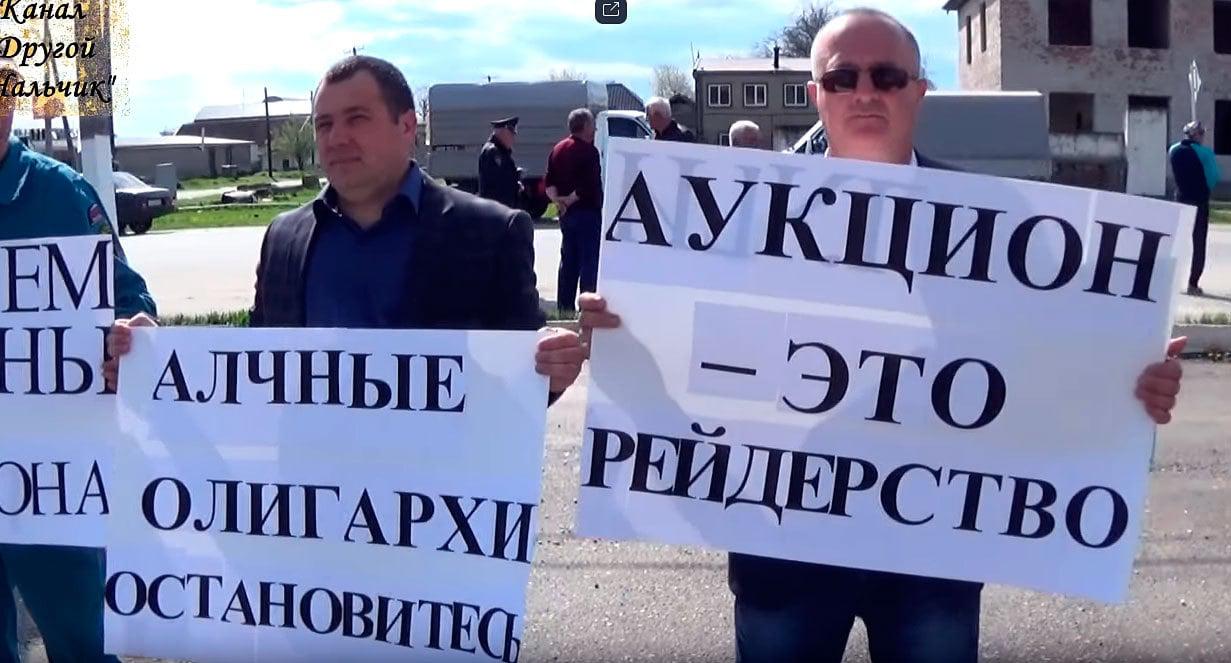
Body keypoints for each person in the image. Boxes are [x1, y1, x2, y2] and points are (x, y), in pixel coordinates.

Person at [578, 9, 1188, 663]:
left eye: (887, 76)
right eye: (842, 78)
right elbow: (684, 354)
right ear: (815, 94)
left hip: (934, 557)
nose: (864, 91)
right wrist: (623, 335)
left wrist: (1129, 382)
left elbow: (1052, 361)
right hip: (780, 548)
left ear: (918, 90)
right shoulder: (739, 215)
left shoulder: (1001, 223)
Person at [105, 56, 585, 404]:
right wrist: (158, 357)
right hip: (311, 502)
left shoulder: (490, 232)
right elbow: (253, 370)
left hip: (433, 502)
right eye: (324, 124)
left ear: (407, 127)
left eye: (357, 119)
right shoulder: (284, 238)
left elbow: (521, 377)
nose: (336, 138)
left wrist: (553, 369)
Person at [0, 57, 157, 663]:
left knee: (84, 640)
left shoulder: (62, 194)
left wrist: (133, 338)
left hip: (49, 474)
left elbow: (128, 299)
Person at [544, 108, 603, 314]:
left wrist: (558, 201)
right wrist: (569, 200)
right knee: (589, 263)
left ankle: (564, 308)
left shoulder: (558, 149)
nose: (595, 129)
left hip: (566, 216)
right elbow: (589, 185)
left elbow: (549, 182)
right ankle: (587, 308)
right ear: (585, 126)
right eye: (592, 124)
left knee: (568, 261)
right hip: (586, 213)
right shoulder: (589, 151)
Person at [1168, 121, 1215, 296]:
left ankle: (1170, 281)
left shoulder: (1173, 150)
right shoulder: (1205, 153)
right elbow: (1213, 177)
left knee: (1177, 242)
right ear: (1196, 135)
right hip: (1199, 201)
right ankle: (1193, 283)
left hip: (1181, 199)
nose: (1203, 137)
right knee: (1199, 243)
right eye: (1201, 134)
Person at [478, 115, 522, 210]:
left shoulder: (502, 151)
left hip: (502, 207)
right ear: (503, 132)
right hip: (495, 208)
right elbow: (498, 183)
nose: (513, 138)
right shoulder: (493, 152)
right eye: (511, 134)